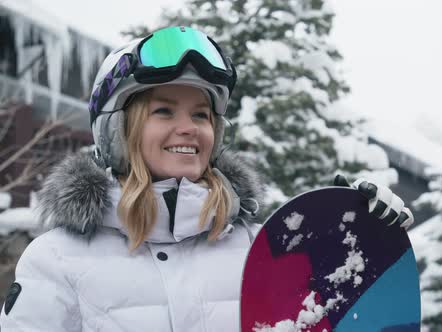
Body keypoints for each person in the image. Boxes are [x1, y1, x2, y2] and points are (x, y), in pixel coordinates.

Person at [0, 26, 413, 331]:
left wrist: (353, 235)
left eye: (201, 115)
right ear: (118, 131)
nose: (189, 128)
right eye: (164, 112)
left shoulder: (257, 249)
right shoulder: (58, 259)